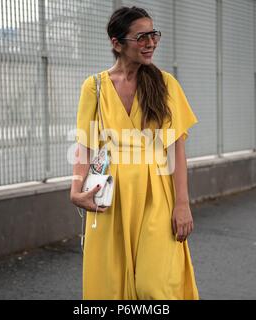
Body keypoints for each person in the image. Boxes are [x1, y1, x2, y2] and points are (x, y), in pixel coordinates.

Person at [70, 6, 200, 300]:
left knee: (154, 287)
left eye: (153, 34)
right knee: (110, 287)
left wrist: (182, 204)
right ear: (117, 43)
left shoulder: (166, 84)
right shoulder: (95, 87)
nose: (151, 43)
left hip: (156, 195)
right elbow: (85, 145)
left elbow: (176, 149)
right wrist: (76, 189)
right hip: (110, 196)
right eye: (141, 37)